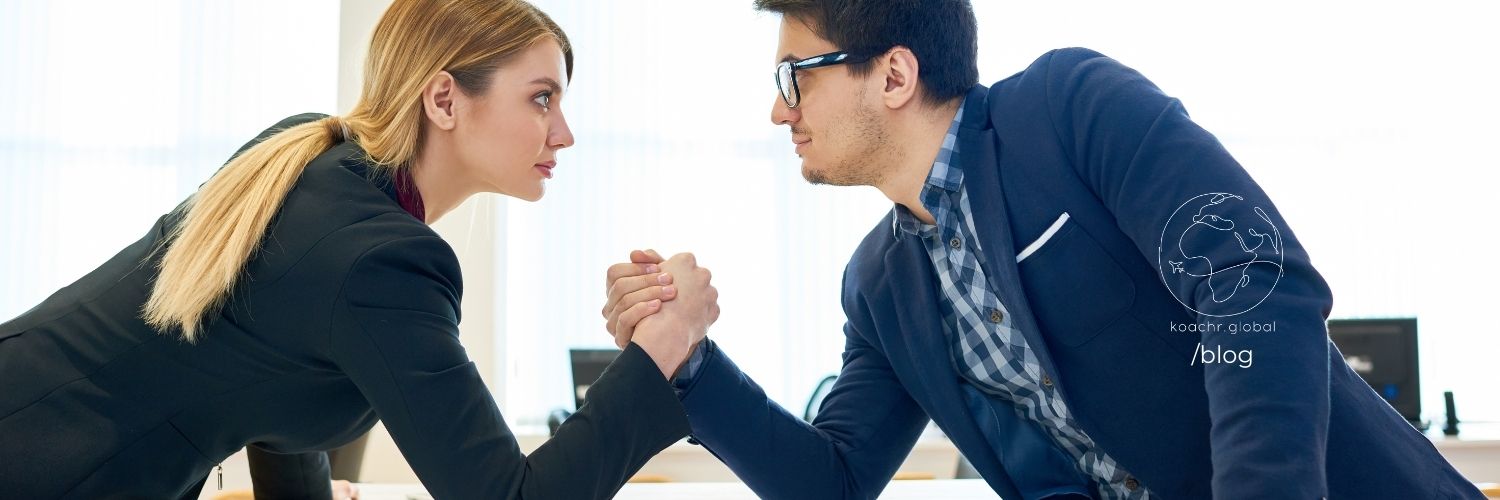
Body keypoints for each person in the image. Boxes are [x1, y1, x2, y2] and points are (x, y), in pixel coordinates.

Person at [603, 0, 1482, 498]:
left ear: (895, 75)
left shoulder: (1068, 108)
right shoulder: (878, 285)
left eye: (795, 75)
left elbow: (1252, 280)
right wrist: (687, 365)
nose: (777, 109)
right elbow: (832, 484)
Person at [0, 0, 718, 498]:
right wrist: (660, 348)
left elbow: (271, 364)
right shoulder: (384, 262)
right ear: (443, 101)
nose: (563, 133)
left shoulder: (321, 164)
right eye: (541, 98)